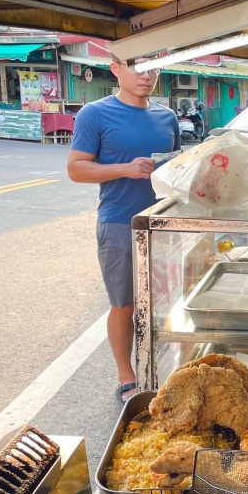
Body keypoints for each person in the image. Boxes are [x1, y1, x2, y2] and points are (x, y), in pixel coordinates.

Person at [67, 55, 180, 401]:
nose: (146, 76)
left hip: (164, 224)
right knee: (124, 305)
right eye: (137, 68)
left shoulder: (167, 116)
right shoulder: (95, 114)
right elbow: (76, 168)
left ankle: (162, 369)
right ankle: (126, 374)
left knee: (164, 304)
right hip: (119, 223)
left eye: (153, 69)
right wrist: (124, 169)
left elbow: (175, 169)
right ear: (116, 69)